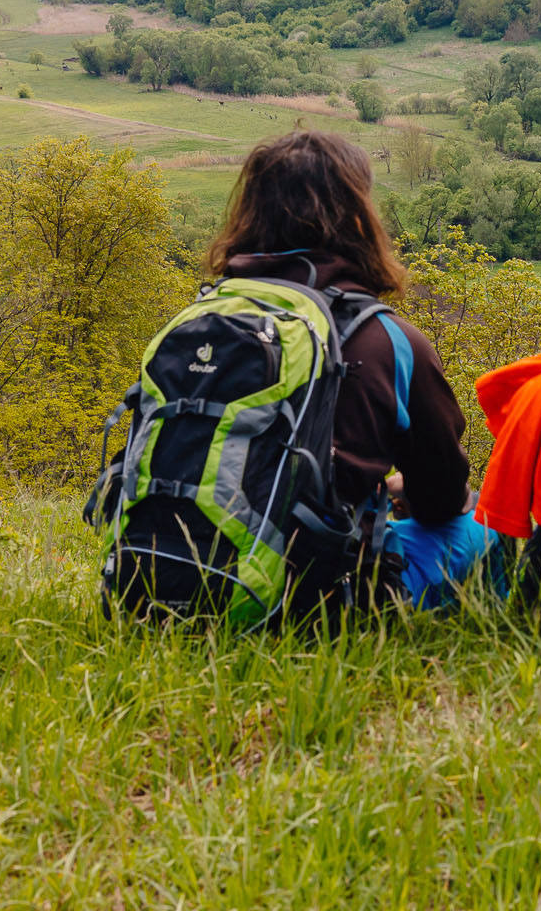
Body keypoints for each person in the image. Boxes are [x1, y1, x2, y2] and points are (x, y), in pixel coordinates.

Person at [208, 129, 495, 609]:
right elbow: (442, 497)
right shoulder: (388, 340)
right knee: (482, 527)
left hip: (164, 573)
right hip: (311, 600)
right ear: (358, 219)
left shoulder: (207, 316)